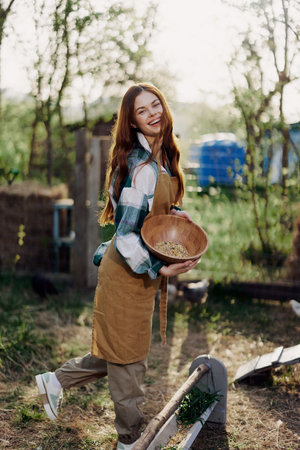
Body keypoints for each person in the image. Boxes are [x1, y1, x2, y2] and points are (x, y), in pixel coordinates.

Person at [35, 83, 200, 450]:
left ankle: (54, 381)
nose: (153, 113)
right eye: (142, 111)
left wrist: (174, 214)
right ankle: (130, 441)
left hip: (137, 273)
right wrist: (161, 269)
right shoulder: (141, 169)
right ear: (134, 123)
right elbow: (126, 237)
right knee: (130, 364)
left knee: (115, 352)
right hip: (126, 273)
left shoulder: (164, 158)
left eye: (156, 104)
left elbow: (148, 215)